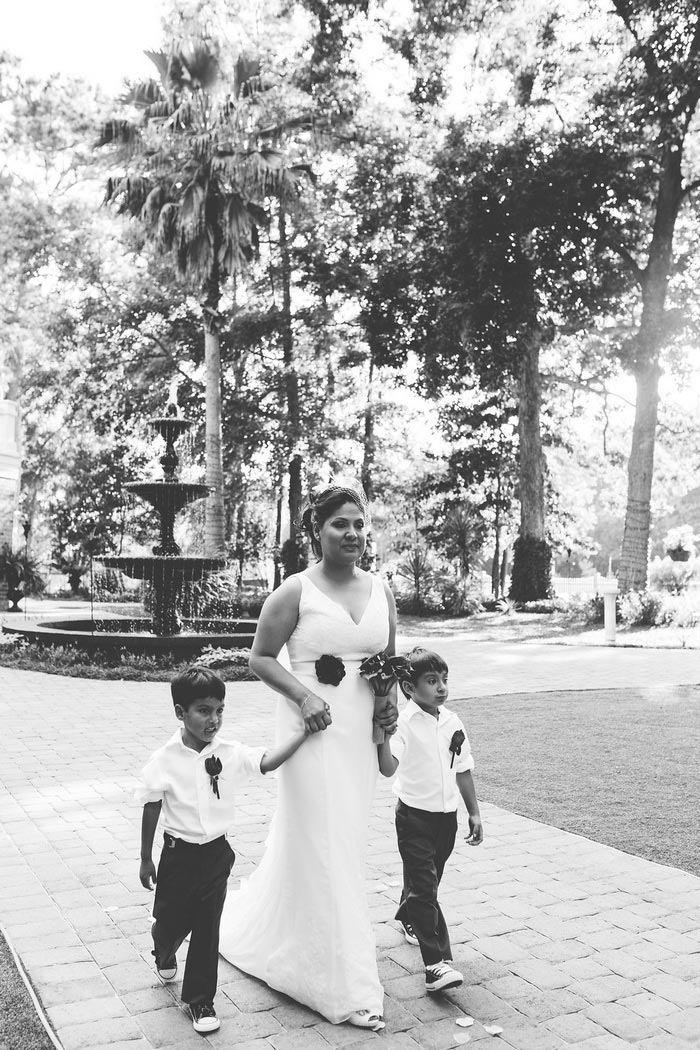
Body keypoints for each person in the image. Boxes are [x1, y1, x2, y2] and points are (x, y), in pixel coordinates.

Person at [218, 485, 398, 1031]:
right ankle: (343, 984)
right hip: (311, 731)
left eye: (359, 524)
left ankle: (300, 936)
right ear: (316, 531)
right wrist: (303, 696)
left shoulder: (382, 587)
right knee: (322, 840)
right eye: (340, 523)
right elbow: (259, 658)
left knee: (340, 840)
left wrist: (387, 707)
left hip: (359, 737)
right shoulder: (294, 591)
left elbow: (388, 658)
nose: (352, 533)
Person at [136, 665, 307, 1035]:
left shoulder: (229, 753)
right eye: (203, 711)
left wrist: (302, 733)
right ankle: (163, 948)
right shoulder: (163, 759)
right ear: (180, 712)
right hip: (177, 856)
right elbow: (151, 805)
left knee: (206, 927)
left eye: (219, 710)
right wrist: (145, 857)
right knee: (168, 923)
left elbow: (265, 761)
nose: (214, 720)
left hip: (216, 855)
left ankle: (200, 1000)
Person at [377, 646, 483, 994]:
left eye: (444, 680)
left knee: (428, 880)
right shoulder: (404, 724)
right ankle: (436, 963)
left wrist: (474, 811)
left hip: (446, 820)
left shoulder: (452, 721)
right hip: (413, 818)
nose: (441, 688)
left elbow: (463, 767)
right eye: (432, 681)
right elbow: (388, 767)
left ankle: (408, 915)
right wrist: (382, 736)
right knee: (425, 888)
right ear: (409, 688)